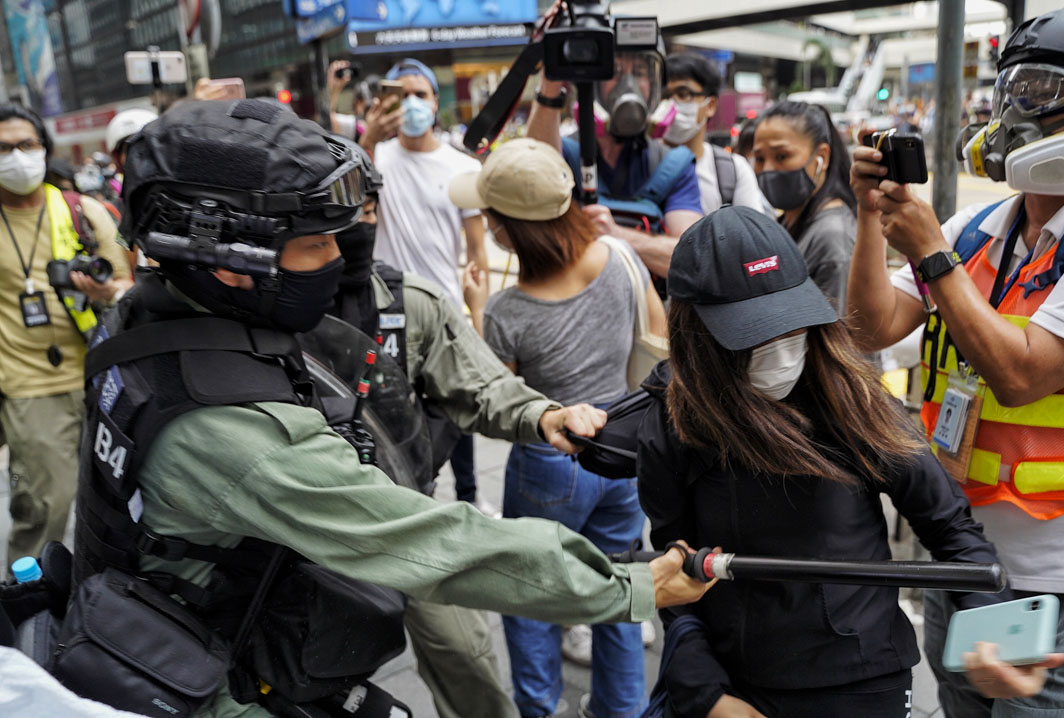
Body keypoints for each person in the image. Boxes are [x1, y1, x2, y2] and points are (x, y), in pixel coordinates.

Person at [71, 99, 709, 718]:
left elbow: (475, 381)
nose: (340, 252)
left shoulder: (150, 319)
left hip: (243, 606)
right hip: (219, 666)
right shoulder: (230, 427)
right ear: (234, 260)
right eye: (316, 242)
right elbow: (426, 539)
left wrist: (540, 416)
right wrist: (631, 585)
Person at [637, 205, 1064, 718]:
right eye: (752, 337)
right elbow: (673, 571)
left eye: (789, 328)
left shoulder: (853, 403)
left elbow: (951, 529)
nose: (779, 352)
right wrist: (704, 691)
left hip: (861, 682)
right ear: (696, 336)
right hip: (733, 686)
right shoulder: (670, 422)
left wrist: (994, 633)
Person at [328, 148, 621, 718]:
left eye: (368, 208)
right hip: (301, 543)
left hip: (406, 521)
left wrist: (545, 416)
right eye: (336, 218)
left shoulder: (410, 301)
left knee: (469, 659)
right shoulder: (251, 320)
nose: (358, 225)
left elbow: (484, 382)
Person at [846, 7, 1064, 715]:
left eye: (1041, 89)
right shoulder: (979, 229)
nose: (1014, 110)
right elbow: (868, 326)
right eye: (1010, 87)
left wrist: (928, 252)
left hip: (1056, 578)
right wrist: (868, 217)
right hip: (965, 555)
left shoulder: (953, 243)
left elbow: (1021, 375)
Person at [450, 137, 666, 718]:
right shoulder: (620, 259)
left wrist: (474, 308)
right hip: (622, 451)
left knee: (531, 591)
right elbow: (658, 337)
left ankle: (540, 708)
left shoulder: (508, 309)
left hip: (553, 460)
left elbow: (497, 395)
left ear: (507, 230)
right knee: (621, 582)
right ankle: (623, 708)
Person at [0, 104, 132, 568]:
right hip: (30, 386)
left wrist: (104, 290)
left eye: (26, 145)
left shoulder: (83, 211)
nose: (17, 156)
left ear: (44, 149)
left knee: (124, 505)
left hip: (104, 377)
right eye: (4, 148)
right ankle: (24, 611)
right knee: (48, 506)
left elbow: (127, 286)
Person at [360, 57, 491, 512]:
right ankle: (413, 496)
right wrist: (369, 138)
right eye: (402, 94)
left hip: (447, 313)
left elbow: (477, 255)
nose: (412, 104)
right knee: (396, 410)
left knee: (458, 410)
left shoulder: (460, 166)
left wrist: (477, 319)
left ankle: (472, 501)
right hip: (388, 311)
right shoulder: (375, 157)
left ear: (438, 102)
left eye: (422, 94)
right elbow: (354, 206)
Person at [527, 30, 703, 278]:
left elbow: (694, 260)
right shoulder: (564, 154)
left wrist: (615, 236)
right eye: (614, 71)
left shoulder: (675, 164)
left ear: (654, 85)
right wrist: (551, 83)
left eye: (640, 73)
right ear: (592, 82)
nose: (628, 84)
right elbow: (534, 168)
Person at [751, 101, 857, 309]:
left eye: (782, 156)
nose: (767, 169)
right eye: (759, 158)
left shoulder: (832, 236)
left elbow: (834, 336)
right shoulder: (786, 222)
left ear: (821, 157)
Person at [663, 53, 767, 216]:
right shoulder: (638, 162)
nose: (670, 104)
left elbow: (751, 238)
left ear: (710, 105)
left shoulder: (733, 172)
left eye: (683, 95)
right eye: (663, 96)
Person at [327, 60, 378, 141]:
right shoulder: (353, 125)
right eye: (368, 107)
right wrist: (335, 90)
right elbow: (328, 119)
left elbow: (328, 118)